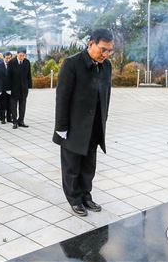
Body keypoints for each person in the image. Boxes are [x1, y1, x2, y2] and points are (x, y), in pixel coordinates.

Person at [53, 29, 114, 216]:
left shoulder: (107, 66)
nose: (105, 54)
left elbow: (106, 94)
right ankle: (74, 199)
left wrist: (104, 118)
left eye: (109, 51)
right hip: (73, 126)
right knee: (72, 165)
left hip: (94, 125)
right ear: (90, 44)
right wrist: (61, 127)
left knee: (89, 164)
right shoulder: (72, 64)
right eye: (102, 49)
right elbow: (62, 97)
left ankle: (86, 196)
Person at [7, 47, 32, 129]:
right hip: (14, 89)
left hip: (24, 88)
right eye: (20, 55)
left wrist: (29, 87)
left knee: (22, 106)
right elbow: (8, 77)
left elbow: (29, 75)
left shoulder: (27, 62)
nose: (22, 57)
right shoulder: (11, 62)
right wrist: (8, 88)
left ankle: (21, 121)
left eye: (23, 55)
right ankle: (14, 122)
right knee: (13, 107)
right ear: (17, 54)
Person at [0, 51, 13, 124]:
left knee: (10, 104)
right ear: (3, 58)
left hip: (10, 88)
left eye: (9, 58)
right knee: (2, 104)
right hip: (2, 88)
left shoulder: (13, 65)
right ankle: (2, 118)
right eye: (7, 58)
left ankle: (9, 118)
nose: (8, 60)